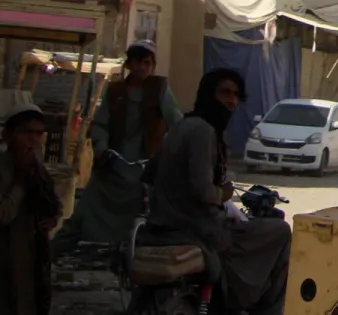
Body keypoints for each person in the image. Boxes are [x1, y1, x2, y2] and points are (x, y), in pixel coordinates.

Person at [146, 69, 290, 315]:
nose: (231, 100)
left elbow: (149, 174)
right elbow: (204, 191)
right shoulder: (203, 131)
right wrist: (224, 194)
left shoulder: (182, 125)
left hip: (166, 222)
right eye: (224, 92)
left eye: (235, 95)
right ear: (208, 94)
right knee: (281, 231)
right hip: (197, 228)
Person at [54, 40, 181, 252]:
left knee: (146, 217)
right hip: (113, 166)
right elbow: (100, 124)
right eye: (137, 62)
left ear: (152, 66)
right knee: (84, 213)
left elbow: (176, 122)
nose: (142, 68)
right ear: (129, 65)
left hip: (142, 170)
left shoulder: (160, 90)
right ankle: (52, 255)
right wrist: (102, 147)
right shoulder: (115, 91)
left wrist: (170, 151)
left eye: (147, 63)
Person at [0, 103, 63, 314]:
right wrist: (20, 180)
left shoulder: (36, 168)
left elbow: (52, 203)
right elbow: (3, 215)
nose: (33, 140)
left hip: (31, 254)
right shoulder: (5, 167)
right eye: (26, 133)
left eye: (38, 134)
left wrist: (52, 218)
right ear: (8, 134)